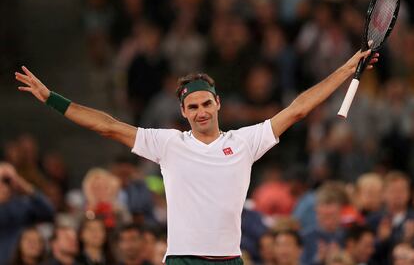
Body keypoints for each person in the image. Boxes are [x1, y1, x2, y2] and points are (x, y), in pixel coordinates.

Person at [15, 47, 377, 264]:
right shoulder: (169, 144)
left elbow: (297, 109)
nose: (201, 111)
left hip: (230, 258)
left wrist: (346, 70)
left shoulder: (246, 140)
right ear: (183, 112)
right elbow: (107, 126)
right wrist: (52, 99)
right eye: (193, 106)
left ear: (218, 103)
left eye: (206, 103)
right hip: (182, 260)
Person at [0, 162, 54, 264]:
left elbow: (49, 212)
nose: (4, 184)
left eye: (7, 180)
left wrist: (24, 186)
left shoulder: (22, 203)